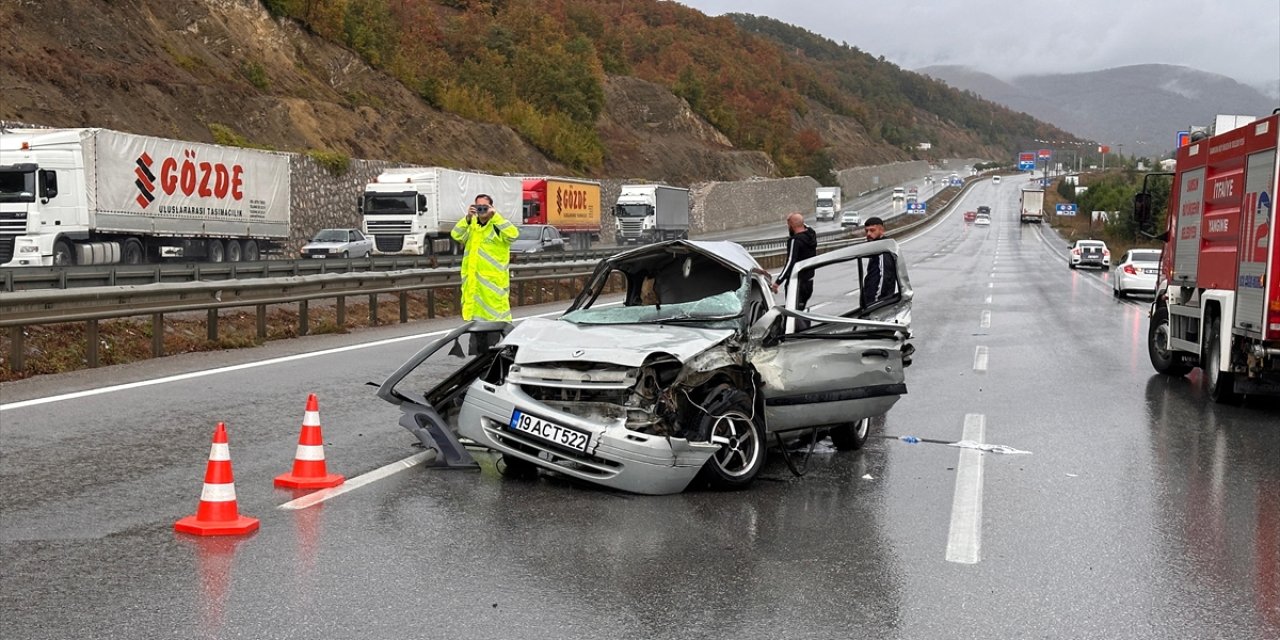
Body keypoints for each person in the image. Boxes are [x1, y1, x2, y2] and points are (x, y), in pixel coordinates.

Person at [451, 194, 518, 353]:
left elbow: (513, 234)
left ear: (491, 208)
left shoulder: (497, 226)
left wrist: (495, 216)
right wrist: (467, 217)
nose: (481, 210)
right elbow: (456, 234)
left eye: (484, 207)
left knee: (493, 349)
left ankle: (495, 372)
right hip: (475, 298)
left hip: (493, 297)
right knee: (477, 349)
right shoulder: (472, 227)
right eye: (478, 206)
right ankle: (479, 372)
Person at [771, 212, 817, 309]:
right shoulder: (811, 235)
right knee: (800, 311)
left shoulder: (795, 241)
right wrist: (797, 220)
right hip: (809, 283)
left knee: (793, 313)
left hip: (797, 283)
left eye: (788, 225)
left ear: (791, 225)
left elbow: (790, 262)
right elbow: (805, 225)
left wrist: (778, 282)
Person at [860, 216, 899, 309]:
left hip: (878, 308)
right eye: (867, 231)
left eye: (872, 230)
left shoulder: (882, 252)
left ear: (881, 230)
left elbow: (883, 280)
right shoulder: (877, 249)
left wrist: (874, 306)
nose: (868, 234)